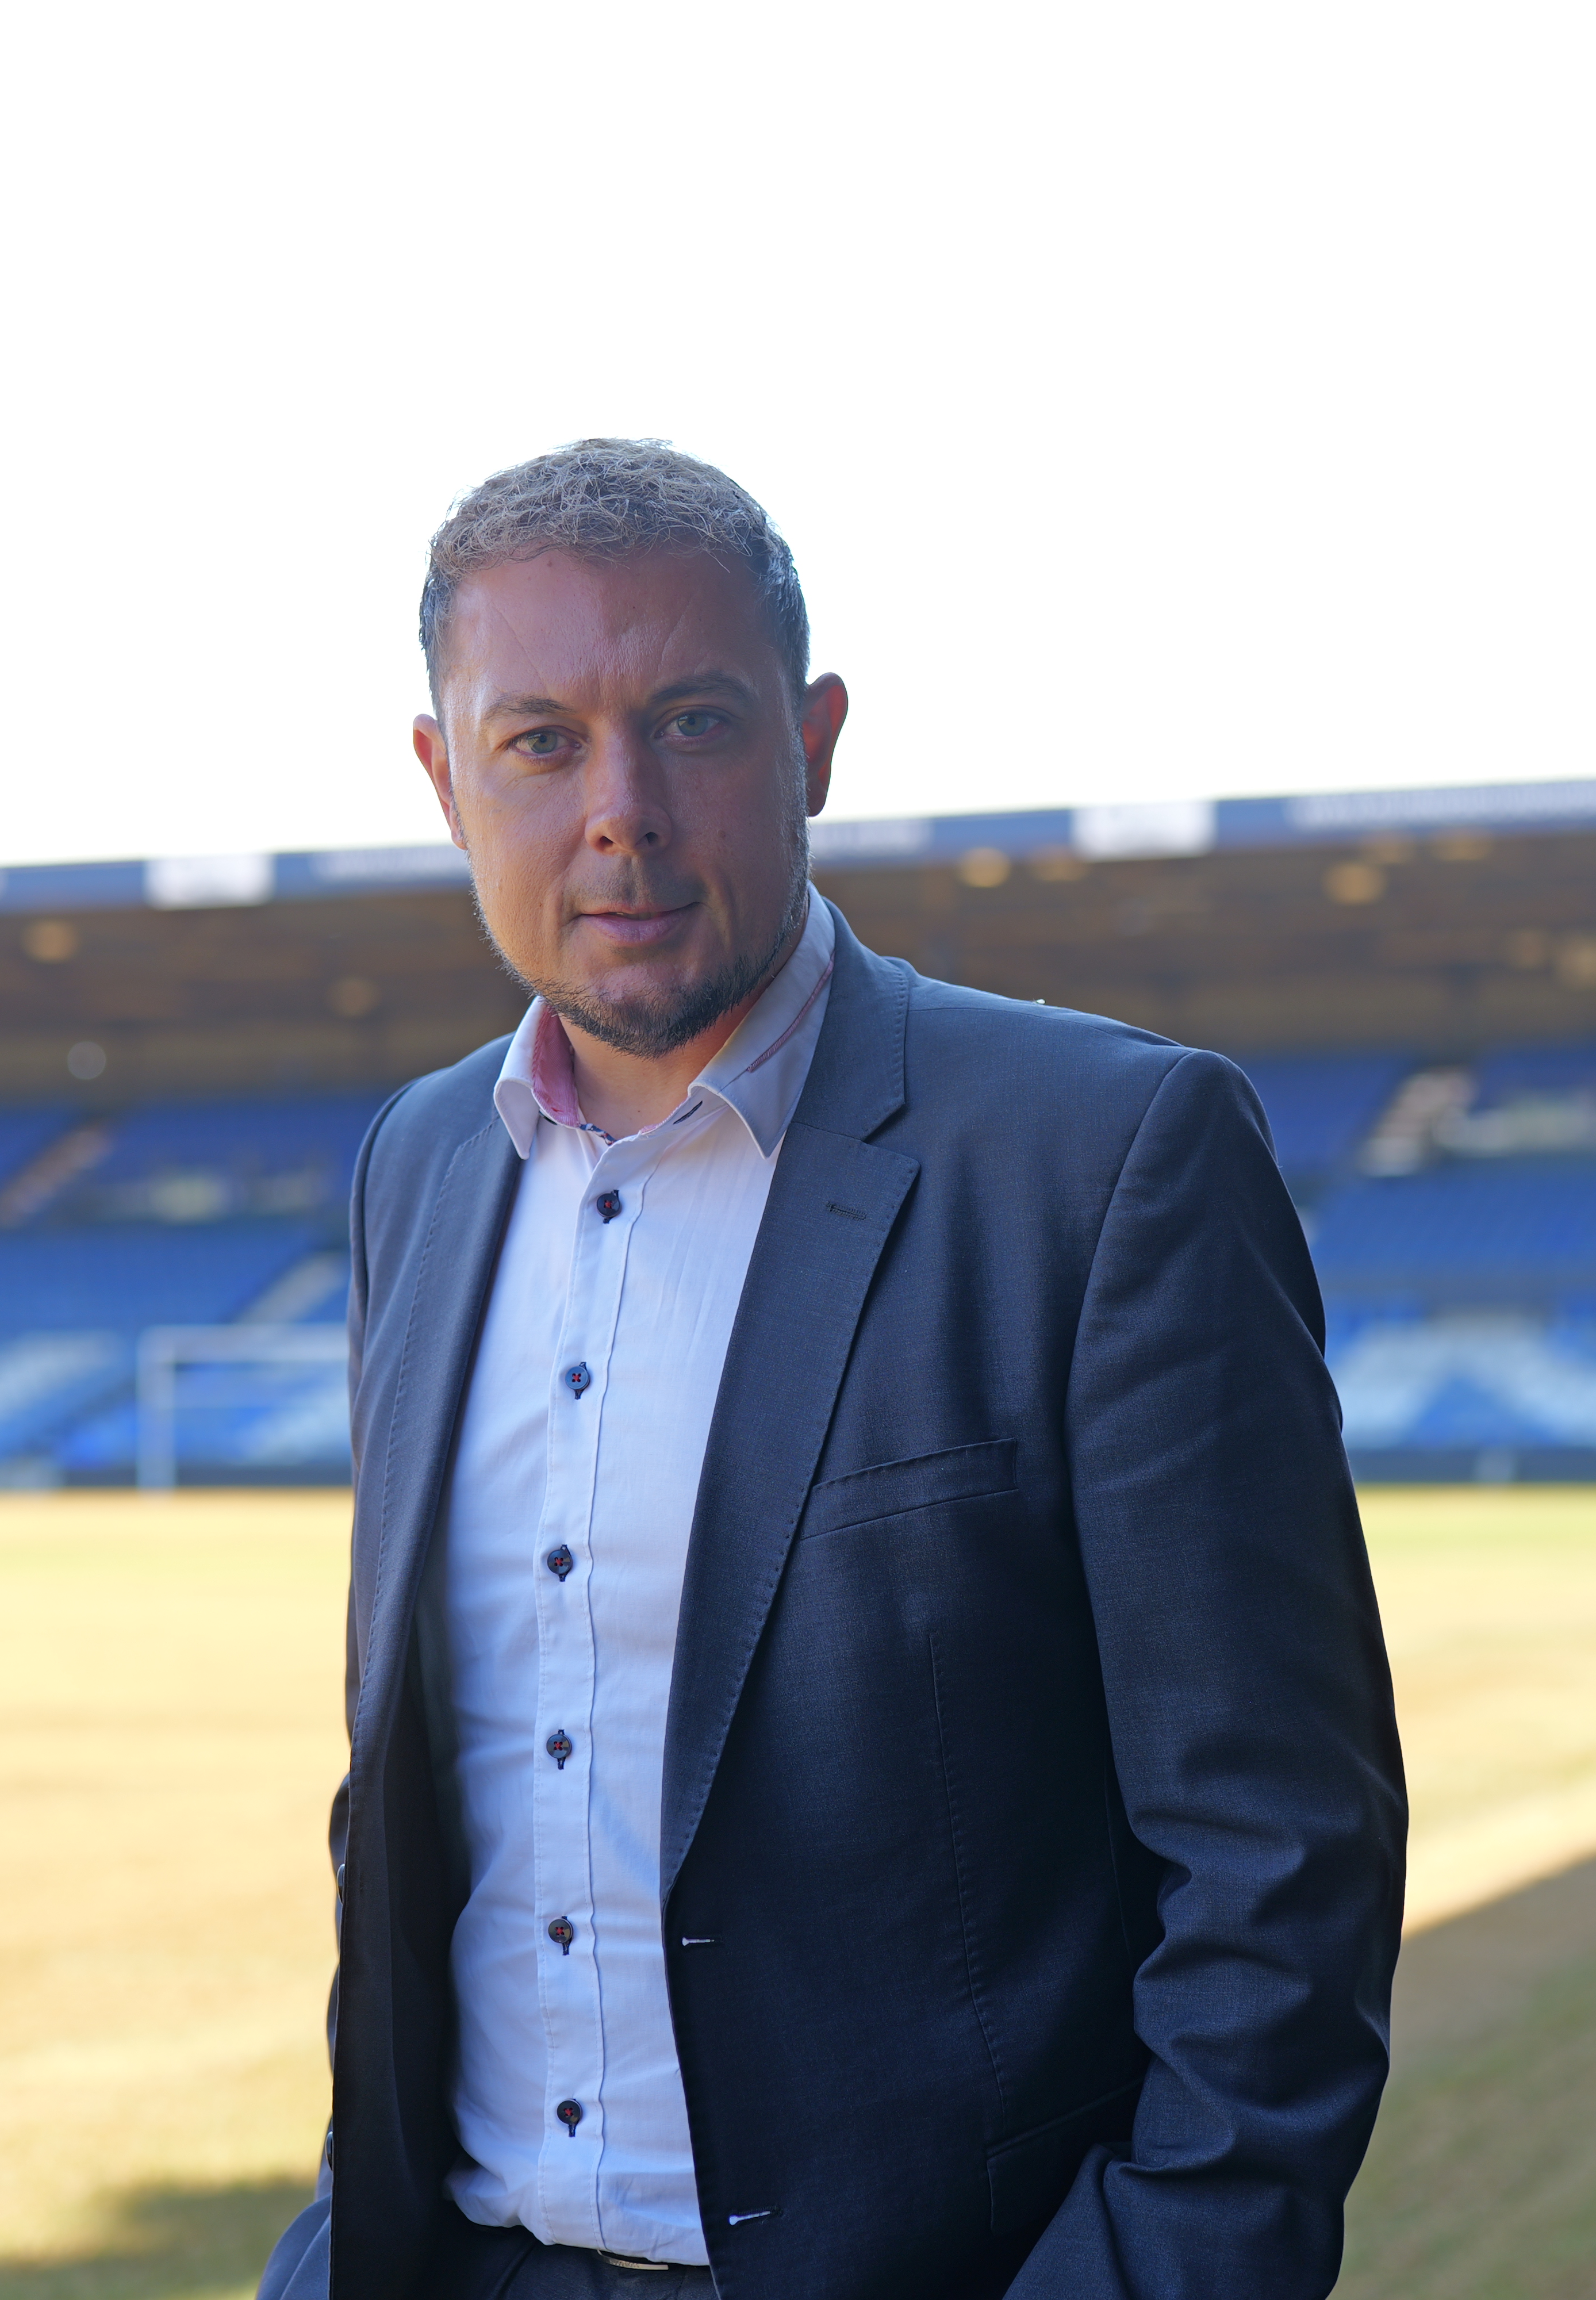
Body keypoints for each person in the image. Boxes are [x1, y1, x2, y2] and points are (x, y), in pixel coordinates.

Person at [260, 440, 1406, 2300]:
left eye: (692, 723)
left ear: (815, 744)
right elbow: (421, 1798)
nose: (620, 810)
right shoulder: (423, 1165)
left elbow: (1279, 1863)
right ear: (441, 774)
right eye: (539, 740)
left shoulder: (1100, 1158)